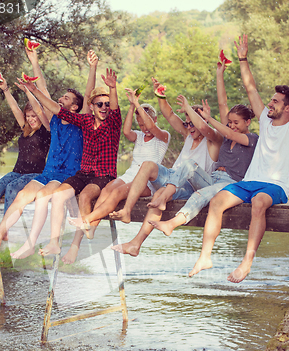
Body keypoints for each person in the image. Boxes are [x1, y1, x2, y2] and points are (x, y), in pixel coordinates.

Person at [189, 34, 289, 283]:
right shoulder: (264, 122)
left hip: (274, 186)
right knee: (216, 201)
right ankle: (205, 256)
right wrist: (242, 58)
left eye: (276, 101)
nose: (270, 103)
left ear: (288, 108)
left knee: (259, 202)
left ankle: (246, 262)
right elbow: (251, 88)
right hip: (248, 182)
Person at [0, 49, 98, 253]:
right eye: (61, 96)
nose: (61, 98)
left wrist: (92, 67)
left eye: (66, 97)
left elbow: (88, 95)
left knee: (43, 195)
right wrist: (34, 60)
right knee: (22, 196)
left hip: (66, 174)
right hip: (48, 172)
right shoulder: (52, 121)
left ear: (75, 106)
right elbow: (42, 92)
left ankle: (32, 243)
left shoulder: (81, 122)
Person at [111, 77, 223, 257]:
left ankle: (161, 199)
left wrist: (189, 109)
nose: (189, 126)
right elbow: (169, 114)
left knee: (164, 189)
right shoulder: (188, 134)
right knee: (148, 165)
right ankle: (129, 222)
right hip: (172, 178)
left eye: (192, 123)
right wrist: (160, 95)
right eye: (187, 123)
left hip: (191, 186)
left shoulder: (213, 140)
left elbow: (203, 126)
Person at [149, 61, 258, 237]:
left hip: (231, 184)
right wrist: (219, 73)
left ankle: (172, 223)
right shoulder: (227, 134)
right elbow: (223, 104)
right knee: (189, 164)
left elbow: (222, 132)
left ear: (247, 122)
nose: (231, 126)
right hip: (213, 178)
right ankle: (162, 198)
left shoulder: (250, 139)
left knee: (202, 194)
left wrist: (208, 118)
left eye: (236, 123)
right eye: (229, 122)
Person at [35, 68, 122, 262]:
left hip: (103, 175)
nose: (104, 107)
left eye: (107, 104)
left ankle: (83, 235)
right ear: (91, 106)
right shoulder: (85, 120)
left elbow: (115, 109)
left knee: (84, 197)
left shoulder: (113, 124)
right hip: (83, 173)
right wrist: (34, 90)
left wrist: (112, 88)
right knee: (58, 195)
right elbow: (57, 109)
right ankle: (54, 242)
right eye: (99, 103)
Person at [67, 88, 170, 245]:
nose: (145, 128)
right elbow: (127, 131)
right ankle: (92, 227)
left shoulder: (163, 136)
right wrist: (131, 106)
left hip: (147, 181)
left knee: (117, 192)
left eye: (147, 123)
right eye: (141, 125)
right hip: (130, 175)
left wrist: (137, 103)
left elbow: (152, 127)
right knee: (108, 189)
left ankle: (86, 219)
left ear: (155, 119)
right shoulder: (140, 136)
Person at [0, 73, 51, 242]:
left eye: (34, 115)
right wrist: (6, 90)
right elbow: (15, 109)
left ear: (39, 115)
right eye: (28, 116)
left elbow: (38, 107)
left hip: (35, 174)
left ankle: (4, 231)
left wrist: (30, 90)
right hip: (17, 172)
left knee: (12, 187)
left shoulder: (46, 132)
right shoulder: (25, 129)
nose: (31, 119)